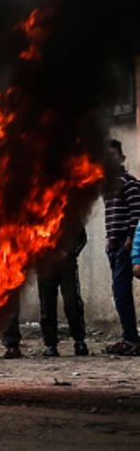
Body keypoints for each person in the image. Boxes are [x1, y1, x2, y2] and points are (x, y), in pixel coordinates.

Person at [103, 139, 140, 354]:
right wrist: (109, 238)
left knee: (120, 292)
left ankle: (131, 339)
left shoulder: (129, 183)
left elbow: (136, 214)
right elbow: (111, 216)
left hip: (125, 246)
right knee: (120, 292)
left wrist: (129, 240)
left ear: (122, 158)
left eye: (113, 155)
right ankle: (130, 337)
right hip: (114, 245)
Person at [38, 218, 89, 357]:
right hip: (45, 266)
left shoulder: (69, 213)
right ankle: (50, 344)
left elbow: (82, 238)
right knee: (47, 305)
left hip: (66, 266)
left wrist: (70, 253)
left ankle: (79, 341)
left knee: (72, 303)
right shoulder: (38, 214)